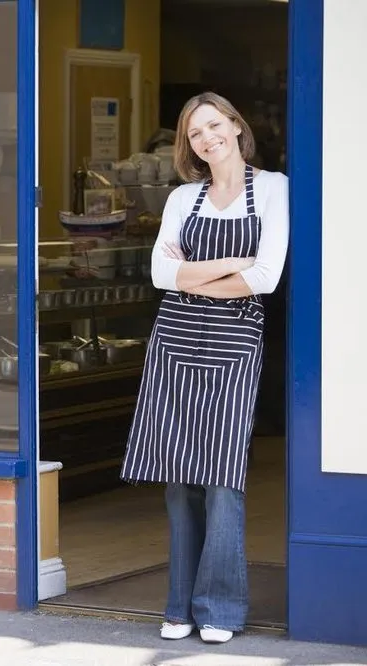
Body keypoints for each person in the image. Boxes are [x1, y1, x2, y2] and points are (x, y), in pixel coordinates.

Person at [120, 92, 289, 644]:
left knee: (221, 478)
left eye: (214, 125)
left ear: (236, 126)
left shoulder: (272, 189)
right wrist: (230, 263)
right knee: (177, 478)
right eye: (195, 133)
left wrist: (195, 274)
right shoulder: (181, 199)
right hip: (173, 341)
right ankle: (179, 606)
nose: (207, 138)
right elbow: (160, 276)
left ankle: (218, 608)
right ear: (187, 144)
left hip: (235, 341)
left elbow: (265, 277)